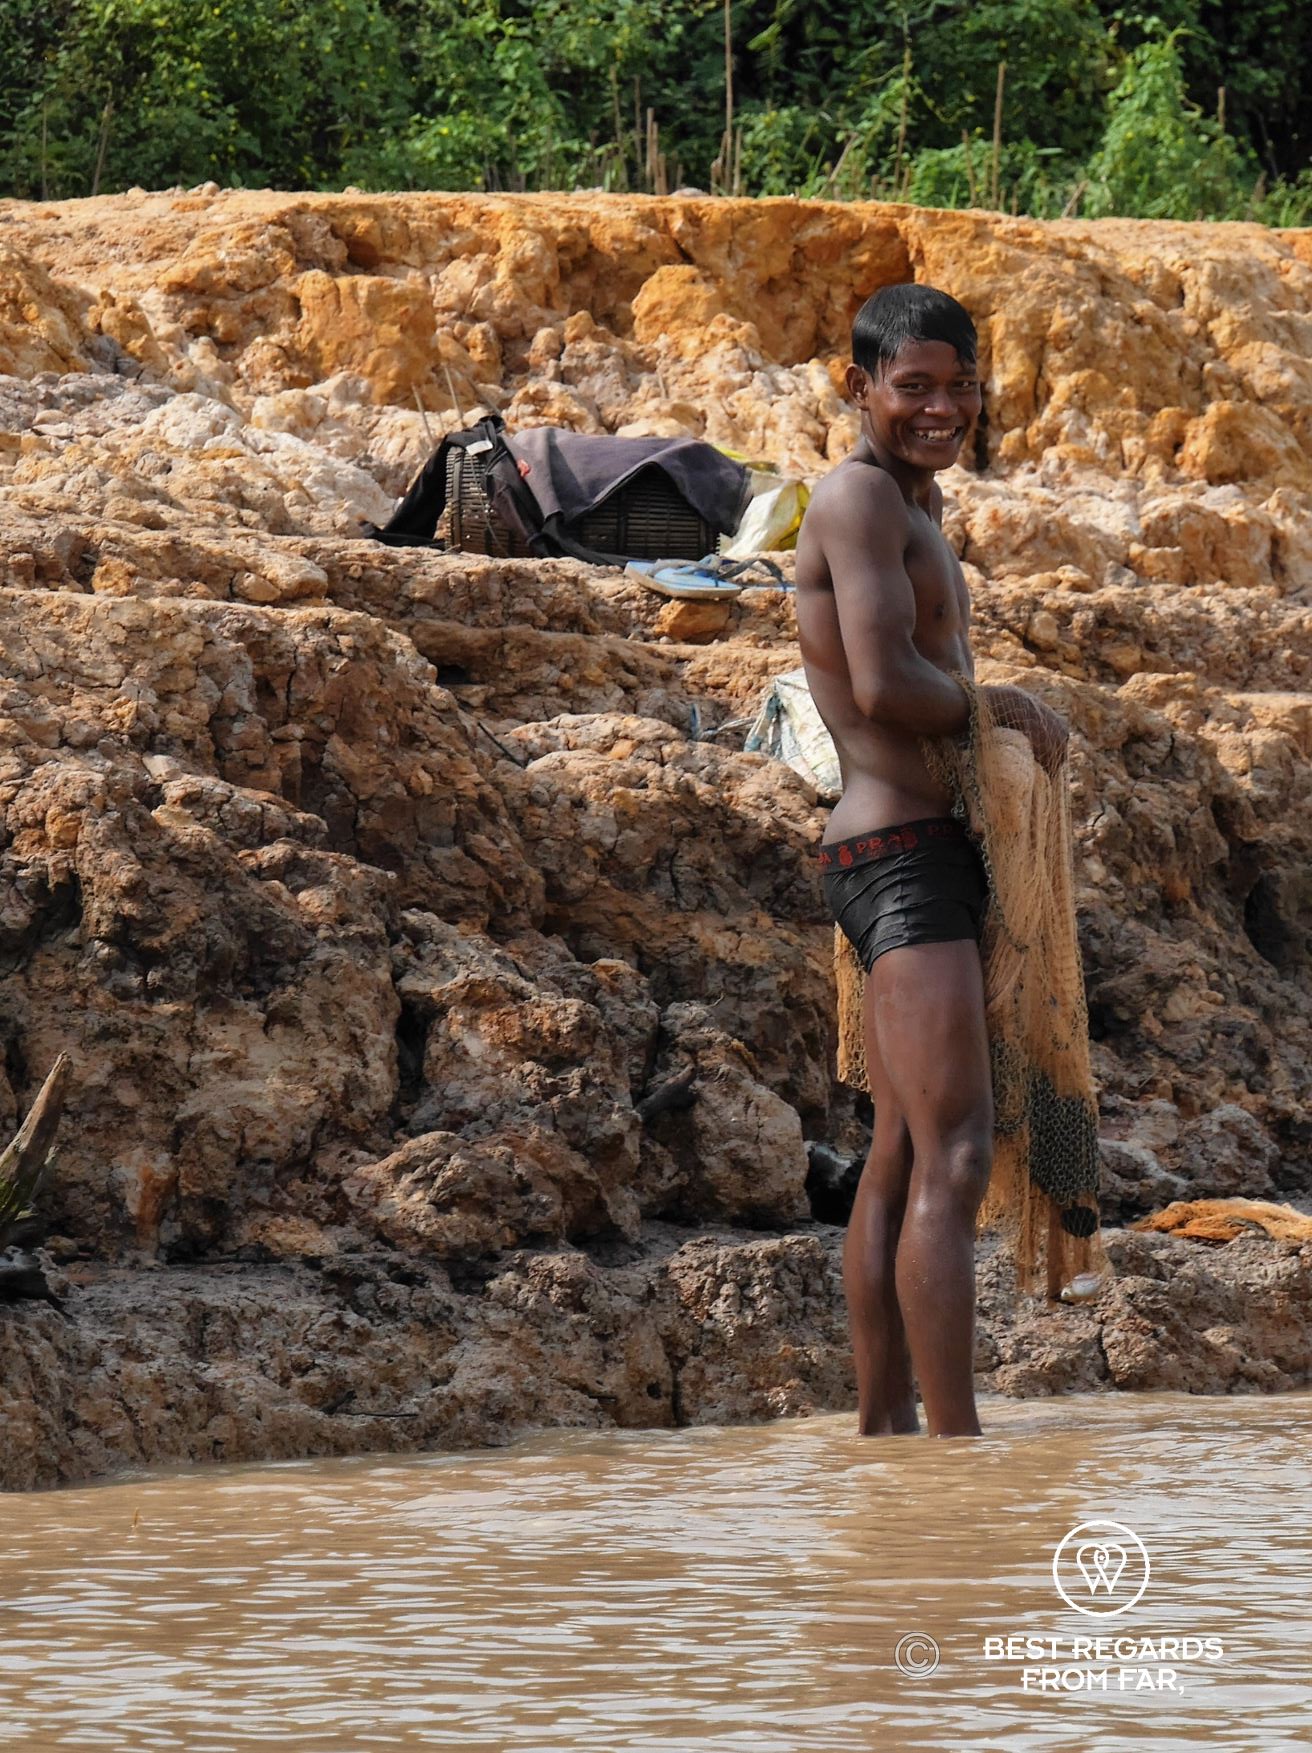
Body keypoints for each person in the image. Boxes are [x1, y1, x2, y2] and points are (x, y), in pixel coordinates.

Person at [795, 283, 1070, 1438]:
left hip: (913, 848)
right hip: (898, 855)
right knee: (954, 1152)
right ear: (856, 387)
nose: (941, 406)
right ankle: (954, 1453)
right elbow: (879, 685)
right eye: (913, 386)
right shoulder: (858, 499)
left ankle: (885, 1440)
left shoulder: (912, 502)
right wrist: (997, 701)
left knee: (903, 1152)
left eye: (958, 385)